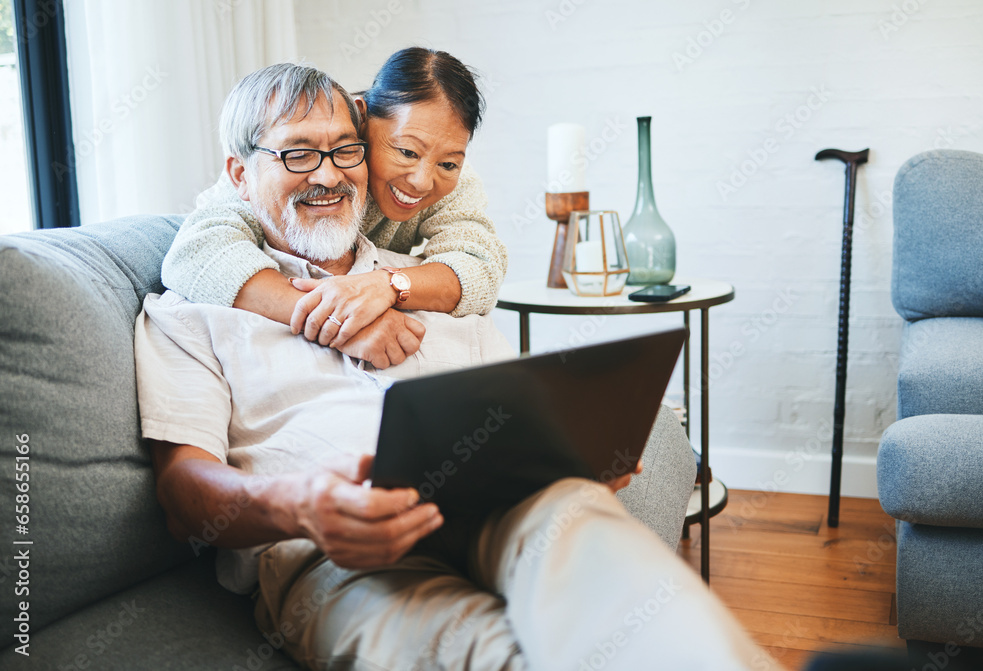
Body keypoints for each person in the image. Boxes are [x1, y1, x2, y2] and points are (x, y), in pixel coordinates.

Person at [137, 64, 780, 670]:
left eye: (345, 150)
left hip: (504, 506)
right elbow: (182, 494)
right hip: (335, 553)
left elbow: (515, 403)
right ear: (240, 176)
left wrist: (570, 453)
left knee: (634, 598)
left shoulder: (429, 279)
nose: (329, 174)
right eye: (299, 153)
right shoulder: (190, 312)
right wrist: (298, 506)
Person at [161, 49, 506, 369]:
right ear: (362, 117)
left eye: (448, 163)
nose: (420, 181)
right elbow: (196, 253)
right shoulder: (266, 177)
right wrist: (342, 320)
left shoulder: (445, 175)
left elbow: (481, 266)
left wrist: (385, 285)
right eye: (406, 152)